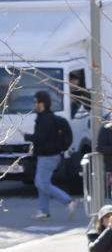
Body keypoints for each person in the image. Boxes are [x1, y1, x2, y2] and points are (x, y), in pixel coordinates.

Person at [28, 91, 75, 221]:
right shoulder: (47, 117)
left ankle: (68, 201)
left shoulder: (45, 119)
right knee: (43, 182)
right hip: (48, 155)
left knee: (41, 183)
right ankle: (43, 211)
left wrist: (27, 137)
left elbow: (41, 138)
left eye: (35, 102)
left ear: (41, 103)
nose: (34, 104)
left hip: (47, 156)